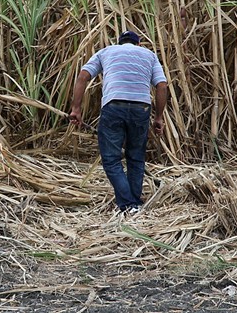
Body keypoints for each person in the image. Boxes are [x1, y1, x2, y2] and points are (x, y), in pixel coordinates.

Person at [69, 30, 168, 213]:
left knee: (111, 159)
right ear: (138, 44)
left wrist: (76, 108)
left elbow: (83, 76)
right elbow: (161, 85)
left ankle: (129, 204)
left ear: (119, 42)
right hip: (141, 108)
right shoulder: (149, 55)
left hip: (114, 105)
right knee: (136, 157)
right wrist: (159, 117)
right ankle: (134, 203)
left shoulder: (107, 51)